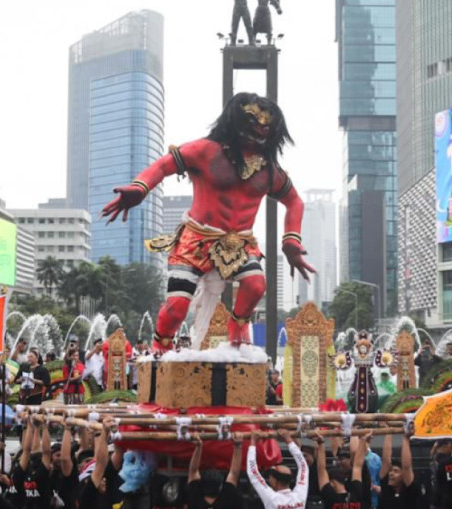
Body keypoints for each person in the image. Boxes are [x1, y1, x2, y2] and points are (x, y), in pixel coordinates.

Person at [101, 92, 314, 352]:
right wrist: (139, 188)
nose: (259, 128)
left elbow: (295, 202)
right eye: (252, 121)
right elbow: (163, 166)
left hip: (239, 243)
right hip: (196, 239)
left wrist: (291, 240)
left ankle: (238, 328)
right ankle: (161, 345)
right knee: (177, 307)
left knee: (256, 285)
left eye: (265, 125)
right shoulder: (205, 151)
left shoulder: (270, 172)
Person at [248, 428, 309, 509]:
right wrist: (289, 440)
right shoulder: (300, 496)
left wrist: (253, 443)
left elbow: (253, 474)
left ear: (274, 480)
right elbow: (303, 466)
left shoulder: (271, 498)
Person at [187, 433, 245, 509]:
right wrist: (238, 446)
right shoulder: (227, 496)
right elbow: (234, 472)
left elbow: (193, 471)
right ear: (220, 487)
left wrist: (198, 447)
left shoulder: (195, 495)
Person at [315, 431, 369, 509]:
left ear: (332, 483)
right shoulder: (355, 494)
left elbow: (321, 470)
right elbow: (357, 466)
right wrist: (363, 439)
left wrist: (321, 443)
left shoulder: (330, 496)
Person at [377, 430, 419, 509]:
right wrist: (389, 430)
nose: (391, 474)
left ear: (403, 476)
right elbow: (386, 459)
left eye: (396, 471)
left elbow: (406, 466)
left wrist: (406, 438)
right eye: (391, 471)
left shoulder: (409, 490)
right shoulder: (386, 488)